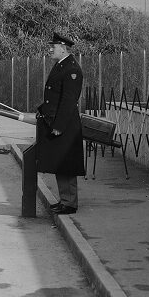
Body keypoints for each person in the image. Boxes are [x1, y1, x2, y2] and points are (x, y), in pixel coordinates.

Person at [35, 31, 85, 215]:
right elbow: (54, 97)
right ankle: (64, 199)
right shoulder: (61, 65)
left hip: (65, 125)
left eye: (53, 47)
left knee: (67, 164)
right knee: (59, 163)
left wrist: (58, 126)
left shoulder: (72, 69)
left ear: (63, 48)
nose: (50, 49)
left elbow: (68, 101)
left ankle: (70, 203)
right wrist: (42, 110)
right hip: (57, 121)